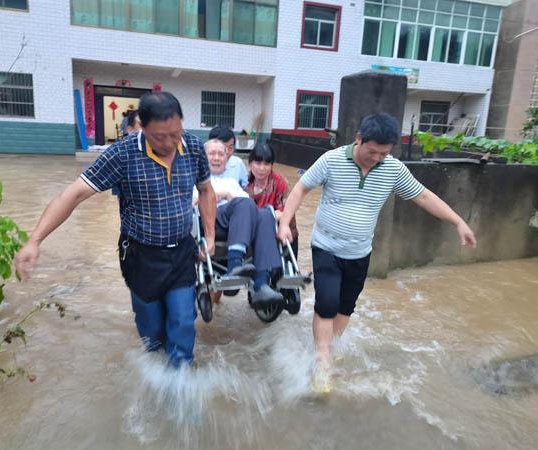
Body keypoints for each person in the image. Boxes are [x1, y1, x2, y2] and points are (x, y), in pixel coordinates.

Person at [14, 92, 217, 369]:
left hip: (182, 251)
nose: (170, 143)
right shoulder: (122, 154)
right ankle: (156, 375)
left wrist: (210, 235)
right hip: (141, 256)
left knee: (183, 323)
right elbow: (72, 195)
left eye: (175, 134)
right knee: (152, 335)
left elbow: (206, 190)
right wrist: (34, 240)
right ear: (141, 128)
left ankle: (180, 385)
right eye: (160, 137)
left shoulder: (193, 147)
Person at [277, 113, 477, 392]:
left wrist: (458, 221)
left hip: (360, 252)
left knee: (346, 306)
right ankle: (322, 360)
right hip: (326, 247)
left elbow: (422, 196)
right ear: (359, 139)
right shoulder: (332, 160)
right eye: (372, 151)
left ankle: (329, 346)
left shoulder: (392, 169)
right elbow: (301, 188)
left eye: (384, 153)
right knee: (327, 302)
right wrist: (285, 221)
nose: (377, 158)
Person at [199, 139, 284, 308]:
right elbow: (192, 201)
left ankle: (262, 285)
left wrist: (230, 193)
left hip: (237, 223)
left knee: (265, 214)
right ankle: (235, 265)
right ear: (203, 156)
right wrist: (221, 193)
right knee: (244, 203)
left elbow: (249, 207)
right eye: (212, 153)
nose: (217, 158)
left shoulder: (232, 182)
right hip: (211, 221)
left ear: (227, 157)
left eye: (221, 154)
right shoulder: (196, 179)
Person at [245, 142, 299, 257]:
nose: (262, 168)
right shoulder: (245, 185)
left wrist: (262, 216)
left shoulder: (280, 183)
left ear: (271, 166)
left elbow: (285, 213)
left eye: (266, 164)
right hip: (255, 234)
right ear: (250, 164)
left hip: (282, 234)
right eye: (258, 163)